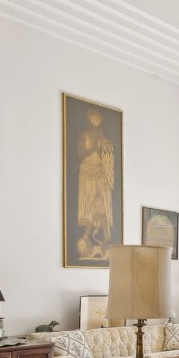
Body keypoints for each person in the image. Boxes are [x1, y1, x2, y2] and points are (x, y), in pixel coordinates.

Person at [76, 108, 115, 261]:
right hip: (87, 173)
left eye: (97, 119)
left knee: (102, 208)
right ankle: (85, 240)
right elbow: (80, 154)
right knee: (89, 207)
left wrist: (101, 147)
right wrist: (94, 147)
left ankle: (106, 238)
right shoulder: (84, 135)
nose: (95, 121)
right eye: (92, 118)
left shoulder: (105, 139)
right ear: (89, 119)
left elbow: (108, 160)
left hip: (101, 174)